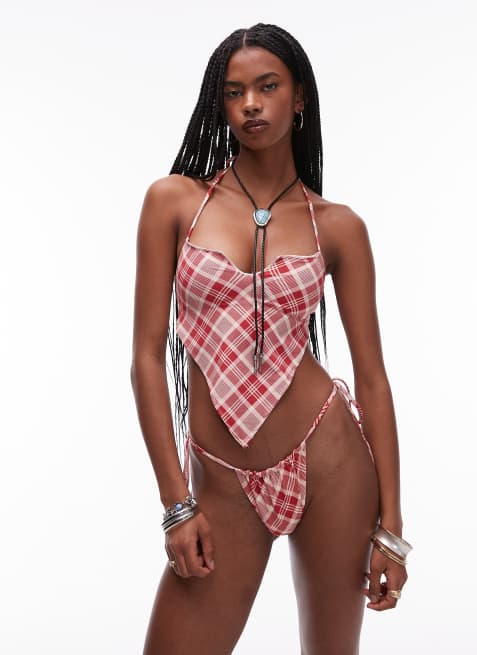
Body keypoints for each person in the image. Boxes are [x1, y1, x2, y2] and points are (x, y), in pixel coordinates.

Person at [130, 22, 411, 655]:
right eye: (234, 92)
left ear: (299, 96)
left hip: (331, 461)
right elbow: (146, 356)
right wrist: (176, 503)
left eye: (268, 86)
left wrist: (392, 529)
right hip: (223, 482)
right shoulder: (174, 203)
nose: (251, 104)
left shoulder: (337, 226)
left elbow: (372, 379)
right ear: (219, 104)